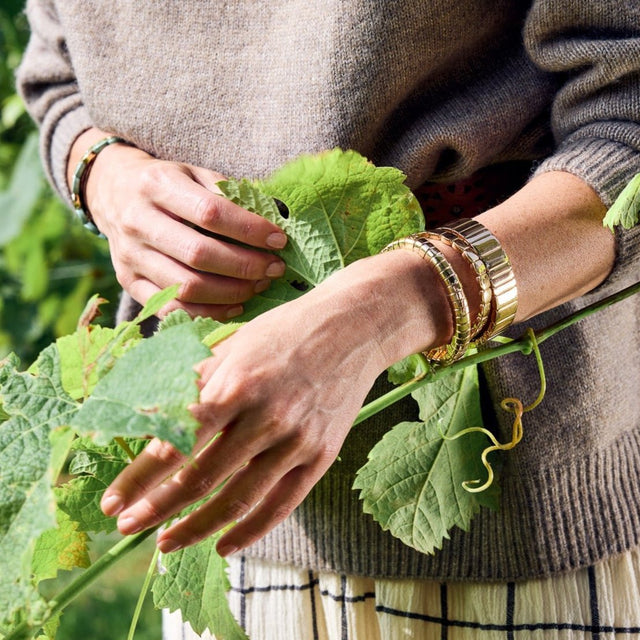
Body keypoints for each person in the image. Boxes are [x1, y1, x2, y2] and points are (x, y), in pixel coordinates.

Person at [16, 0, 640, 637]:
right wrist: (101, 172)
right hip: (218, 492)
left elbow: (629, 125)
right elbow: (55, 72)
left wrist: (386, 311)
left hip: (512, 531)